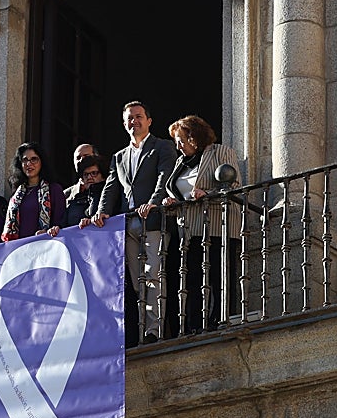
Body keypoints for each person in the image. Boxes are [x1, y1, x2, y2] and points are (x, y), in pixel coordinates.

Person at [93, 101, 177, 343]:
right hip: (128, 226)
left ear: (149, 121)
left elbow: (165, 177)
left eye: (139, 117)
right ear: (124, 123)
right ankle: (142, 330)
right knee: (137, 281)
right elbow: (111, 187)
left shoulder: (162, 146)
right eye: (130, 118)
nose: (134, 121)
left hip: (153, 222)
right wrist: (102, 211)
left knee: (154, 276)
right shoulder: (119, 156)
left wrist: (153, 203)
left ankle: (155, 331)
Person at [163, 114, 242, 333]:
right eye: (176, 141)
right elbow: (179, 192)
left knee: (218, 275)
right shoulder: (180, 163)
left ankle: (220, 320)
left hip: (218, 223)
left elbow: (233, 186)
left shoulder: (220, 152)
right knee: (192, 279)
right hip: (189, 228)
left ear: (193, 135)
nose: (178, 145)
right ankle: (194, 325)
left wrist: (206, 193)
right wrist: (173, 202)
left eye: (181, 139)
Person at [1, 141, 65, 241]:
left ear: (42, 162)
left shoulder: (54, 190)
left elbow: (60, 223)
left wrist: (50, 231)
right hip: (19, 250)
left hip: (44, 247)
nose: (28, 164)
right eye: (25, 160)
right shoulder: (18, 193)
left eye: (34, 159)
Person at [61, 154, 106, 229]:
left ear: (103, 176)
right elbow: (63, 225)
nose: (89, 177)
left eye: (94, 173)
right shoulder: (74, 199)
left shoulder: (111, 197)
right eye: (85, 174)